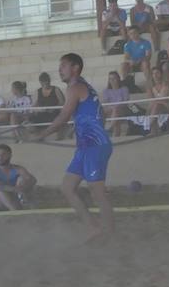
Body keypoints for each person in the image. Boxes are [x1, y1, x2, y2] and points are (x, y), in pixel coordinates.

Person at [34, 53, 115, 243]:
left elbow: (63, 117)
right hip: (87, 146)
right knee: (68, 187)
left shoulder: (75, 88)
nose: (59, 69)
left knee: (98, 192)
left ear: (75, 68)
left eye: (63, 66)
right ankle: (93, 227)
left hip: (94, 145)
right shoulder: (83, 86)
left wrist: (41, 135)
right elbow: (100, 114)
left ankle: (110, 233)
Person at [0, 144, 37, 212]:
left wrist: (23, 188)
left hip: (13, 198)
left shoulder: (18, 169)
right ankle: (15, 211)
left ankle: (31, 209)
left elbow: (33, 180)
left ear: (10, 155)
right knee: (1, 189)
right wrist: (16, 190)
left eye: (3, 154)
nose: (0, 157)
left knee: (23, 179)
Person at [31, 72, 66, 139]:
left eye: (47, 82)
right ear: (41, 82)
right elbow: (34, 105)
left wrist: (54, 108)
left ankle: (56, 135)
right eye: (44, 82)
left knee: (57, 119)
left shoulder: (56, 89)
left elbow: (62, 102)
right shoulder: (37, 92)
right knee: (31, 122)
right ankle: (38, 136)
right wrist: (40, 109)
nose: (46, 84)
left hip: (54, 113)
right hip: (42, 114)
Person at [103, 71, 130, 137]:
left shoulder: (124, 89)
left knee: (116, 110)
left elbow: (125, 102)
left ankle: (110, 129)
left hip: (122, 110)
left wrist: (114, 107)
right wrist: (112, 107)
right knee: (115, 117)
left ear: (118, 79)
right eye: (110, 79)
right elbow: (105, 103)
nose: (112, 81)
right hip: (111, 111)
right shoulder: (106, 91)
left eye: (114, 78)